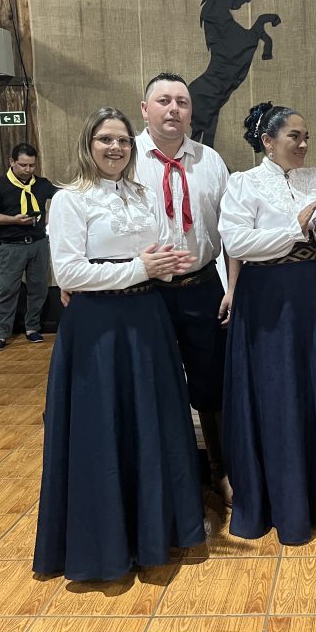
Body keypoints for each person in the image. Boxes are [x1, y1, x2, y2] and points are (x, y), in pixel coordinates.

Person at [34, 107, 205, 581]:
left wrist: (168, 264)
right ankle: (104, 545)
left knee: (151, 423)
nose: (115, 148)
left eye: (123, 141)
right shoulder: (70, 200)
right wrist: (140, 268)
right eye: (105, 139)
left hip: (146, 317)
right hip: (97, 328)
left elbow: (154, 253)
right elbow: (68, 273)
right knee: (101, 428)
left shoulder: (142, 194)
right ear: (87, 145)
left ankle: (155, 532)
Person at [218, 102, 316, 545]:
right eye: (294, 137)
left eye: (306, 137)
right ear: (268, 141)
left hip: (310, 291)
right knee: (275, 388)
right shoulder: (243, 183)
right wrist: (295, 226)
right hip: (265, 295)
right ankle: (281, 499)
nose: (303, 145)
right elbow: (237, 241)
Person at [134, 72, 237, 505]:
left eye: (182, 101)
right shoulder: (126, 159)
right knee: (154, 384)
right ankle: (168, 477)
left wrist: (232, 287)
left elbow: (231, 230)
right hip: (145, 292)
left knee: (212, 382)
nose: (173, 109)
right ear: (145, 110)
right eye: (164, 101)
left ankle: (220, 469)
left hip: (202, 286)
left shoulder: (210, 161)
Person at [0, 143, 59, 351]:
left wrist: (53, 218)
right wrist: (13, 220)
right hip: (12, 245)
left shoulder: (41, 184)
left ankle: (32, 327)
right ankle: (2, 333)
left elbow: (63, 198)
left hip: (38, 244)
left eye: (32, 165)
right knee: (7, 290)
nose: (28, 170)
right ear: (12, 162)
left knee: (38, 288)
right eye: (23, 165)